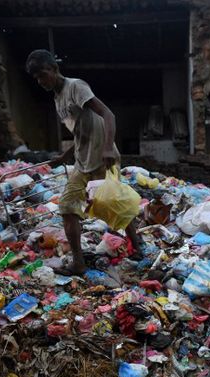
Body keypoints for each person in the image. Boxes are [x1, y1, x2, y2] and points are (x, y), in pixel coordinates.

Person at [26, 49, 142, 275]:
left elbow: (108, 114)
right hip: (81, 162)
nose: (41, 81)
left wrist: (108, 147)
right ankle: (79, 263)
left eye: (43, 74)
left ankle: (137, 246)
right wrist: (64, 157)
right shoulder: (57, 99)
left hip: (102, 159)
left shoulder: (75, 87)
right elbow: (80, 133)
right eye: (37, 78)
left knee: (113, 204)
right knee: (67, 207)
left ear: (54, 69)